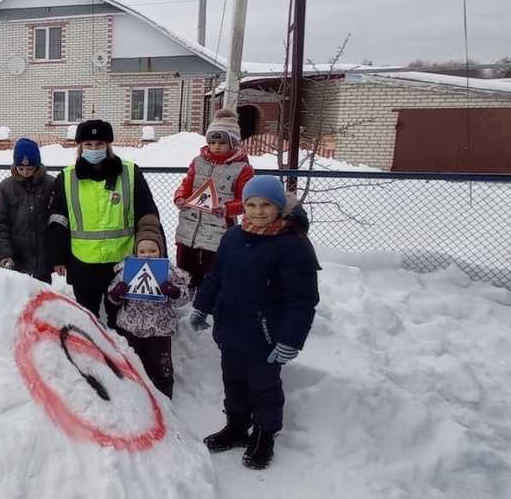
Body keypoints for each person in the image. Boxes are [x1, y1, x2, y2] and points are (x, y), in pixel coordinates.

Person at [188, 175, 320, 470]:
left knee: (264, 388)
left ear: (279, 207)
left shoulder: (292, 245)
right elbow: (216, 277)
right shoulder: (233, 237)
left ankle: (264, 436)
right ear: (243, 206)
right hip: (230, 328)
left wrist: (289, 340)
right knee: (233, 383)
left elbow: (302, 300)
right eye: (251, 204)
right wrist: (201, 308)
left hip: (266, 336)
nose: (258, 211)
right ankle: (236, 428)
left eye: (266, 205)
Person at [46, 119, 163, 324]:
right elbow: (58, 219)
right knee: (88, 319)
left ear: (108, 146)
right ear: (80, 147)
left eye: (99, 144)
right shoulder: (66, 177)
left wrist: (152, 246)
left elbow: (147, 213)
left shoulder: (130, 173)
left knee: (120, 320)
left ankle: (119, 354)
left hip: (122, 264)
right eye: (88, 145)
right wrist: (57, 256)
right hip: (82, 263)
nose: (94, 149)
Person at [105, 226, 190, 398]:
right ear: (136, 251)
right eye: (142, 250)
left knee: (161, 368)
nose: (148, 254)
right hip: (130, 328)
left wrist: (173, 291)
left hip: (159, 331)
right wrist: (117, 293)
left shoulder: (170, 272)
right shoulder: (126, 270)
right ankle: (135, 397)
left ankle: (164, 400)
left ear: (161, 250)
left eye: (153, 250)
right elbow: (112, 297)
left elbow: (184, 299)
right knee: (132, 366)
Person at [174, 109, 253, 292]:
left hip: (219, 229)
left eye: (222, 142)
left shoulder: (243, 169)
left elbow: (246, 201)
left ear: (233, 143)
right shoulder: (198, 161)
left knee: (213, 270)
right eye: (212, 142)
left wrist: (226, 209)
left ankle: (208, 302)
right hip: (190, 226)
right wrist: (180, 197)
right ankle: (186, 300)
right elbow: (186, 184)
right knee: (186, 269)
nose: (216, 146)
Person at [0, 138, 55, 283]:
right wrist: (5, 254)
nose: (25, 172)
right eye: (21, 168)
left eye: (30, 168)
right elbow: (0, 222)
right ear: (15, 166)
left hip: (43, 256)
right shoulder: (5, 188)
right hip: (18, 256)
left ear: (37, 166)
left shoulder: (50, 184)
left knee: (43, 297)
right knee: (20, 296)